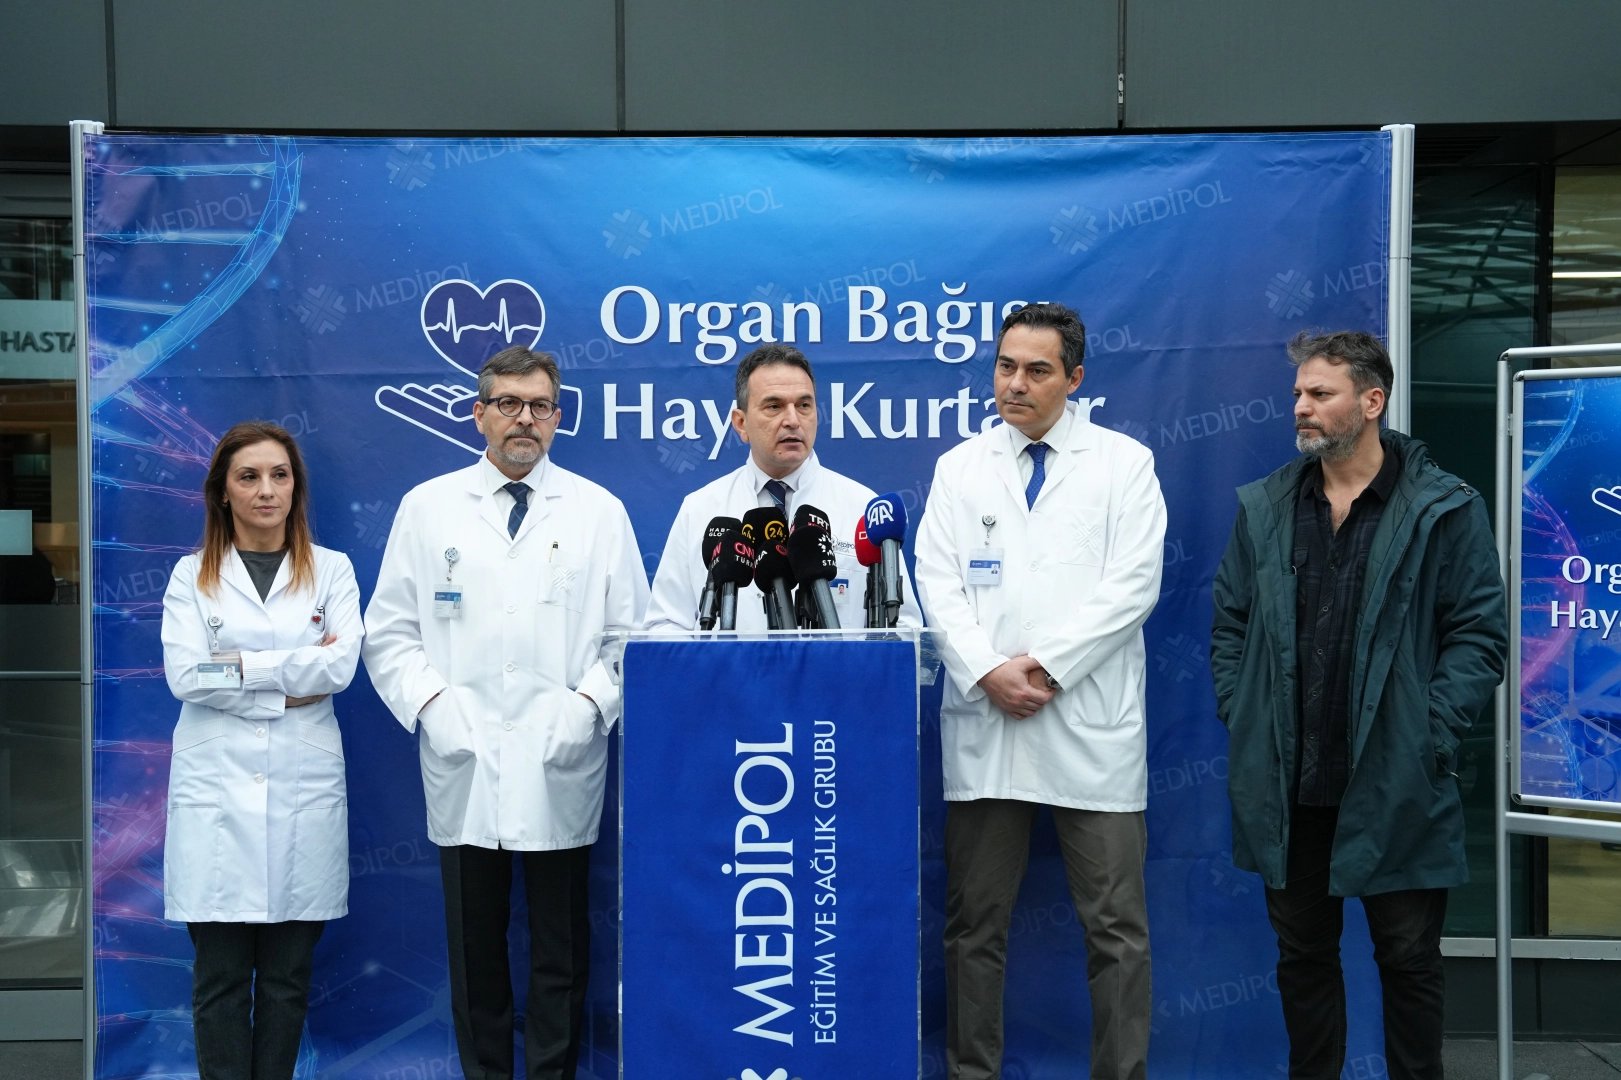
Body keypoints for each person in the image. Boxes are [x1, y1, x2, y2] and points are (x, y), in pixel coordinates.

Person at [1210, 331, 1507, 1080]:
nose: (1300, 408)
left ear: (1372, 402)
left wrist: (1429, 734)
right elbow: (1231, 622)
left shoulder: (1444, 507)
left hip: (1397, 780)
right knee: (1302, 956)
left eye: (1320, 394)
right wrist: (1243, 713)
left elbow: (1478, 635)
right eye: (1298, 394)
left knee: (1407, 958)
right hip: (1290, 783)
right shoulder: (1268, 506)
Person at [363, 345, 648, 1080]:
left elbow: (631, 638)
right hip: (464, 755)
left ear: (557, 417)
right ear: (479, 413)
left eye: (540, 406)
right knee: (475, 949)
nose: (525, 419)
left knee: (561, 948)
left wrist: (587, 707)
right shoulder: (428, 508)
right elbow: (388, 633)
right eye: (509, 404)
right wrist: (434, 707)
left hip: (561, 752)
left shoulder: (597, 512)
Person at [913, 303, 1166, 1080]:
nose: (1014, 384)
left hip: (1088, 727)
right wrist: (986, 670)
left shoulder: (1123, 464)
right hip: (987, 721)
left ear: (1074, 378)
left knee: (1115, 929)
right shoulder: (960, 468)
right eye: (1004, 366)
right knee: (973, 926)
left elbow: (1133, 586)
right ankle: (972, 1073)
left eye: (1036, 370)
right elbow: (935, 583)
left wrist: (1048, 666)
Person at [160, 420, 364, 1080]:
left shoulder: (332, 569)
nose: (266, 490)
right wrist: (288, 676)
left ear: (295, 486)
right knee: (219, 976)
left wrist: (239, 668)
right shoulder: (190, 575)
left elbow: (339, 668)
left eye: (279, 475)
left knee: (287, 977)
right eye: (248, 477)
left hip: (302, 792)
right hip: (216, 797)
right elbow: (187, 676)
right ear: (222, 491)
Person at [644, 342, 922, 630]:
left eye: (804, 405)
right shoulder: (700, 509)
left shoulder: (863, 507)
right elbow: (664, 626)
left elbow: (903, 627)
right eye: (774, 406)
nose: (792, 420)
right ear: (741, 423)